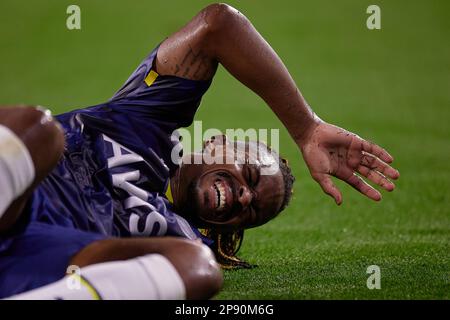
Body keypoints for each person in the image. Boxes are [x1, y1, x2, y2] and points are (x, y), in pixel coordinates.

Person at [0, 3, 399, 300]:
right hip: (13, 198)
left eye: (253, 210)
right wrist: (306, 127)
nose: (245, 195)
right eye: (251, 175)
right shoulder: (146, 120)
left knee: (200, 270)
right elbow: (219, 25)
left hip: (38, 258)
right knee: (40, 130)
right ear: (215, 143)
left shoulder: (186, 240)